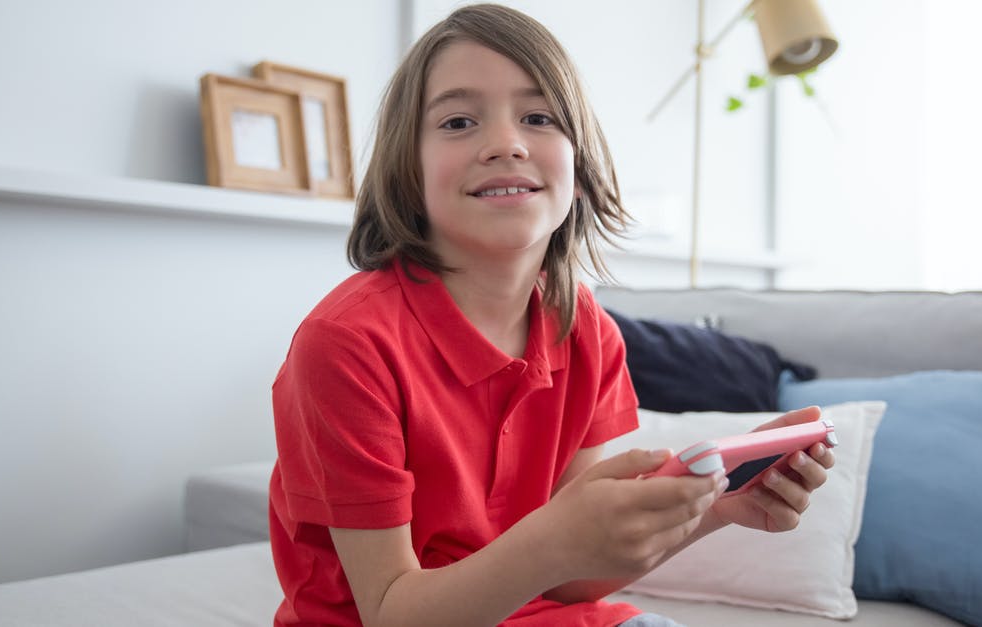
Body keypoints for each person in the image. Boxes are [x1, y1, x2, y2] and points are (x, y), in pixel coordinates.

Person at [267, 4, 835, 626]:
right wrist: (553, 540)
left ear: (580, 167)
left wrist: (718, 507)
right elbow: (389, 613)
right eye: (458, 121)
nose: (505, 143)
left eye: (538, 117)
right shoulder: (346, 344)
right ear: (408, 170)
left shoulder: (587, 330)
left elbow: (572, 583)